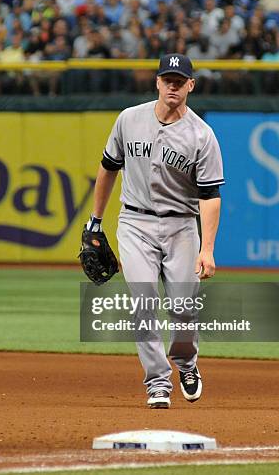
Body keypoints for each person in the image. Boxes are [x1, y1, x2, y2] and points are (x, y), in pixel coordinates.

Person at [84, 54, 224, 408]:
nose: (173, 85)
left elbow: (209, 197)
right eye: (168, 79)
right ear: (157, 82)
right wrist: (95, 221)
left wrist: (207, 249)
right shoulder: (129, 119)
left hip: (181, 226)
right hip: (134, 223)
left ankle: (187, 363)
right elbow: (108, 168)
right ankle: (157, 381)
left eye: (180, 80)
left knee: (183, 309)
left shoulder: (202, 136)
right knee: (143, 304)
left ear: (191, 85)